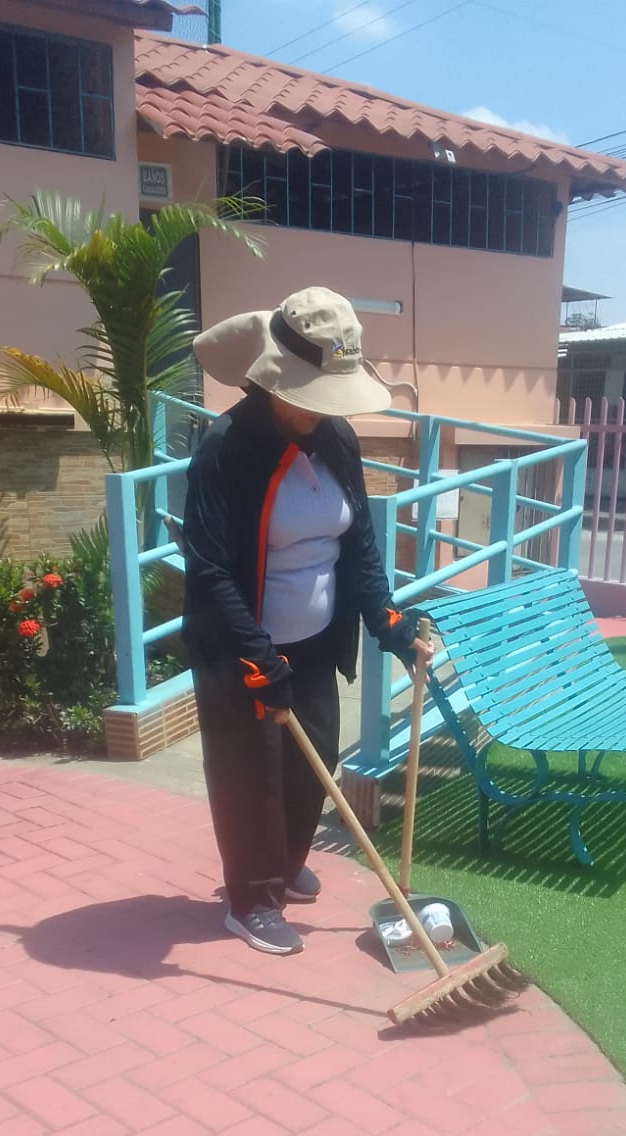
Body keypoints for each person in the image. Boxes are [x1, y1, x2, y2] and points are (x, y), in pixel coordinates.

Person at [178, 287, 434, 956]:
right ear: (276, 377)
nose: (324, 410)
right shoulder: (225, 449)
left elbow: (360, 543)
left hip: (316, 642)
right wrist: (256, 658)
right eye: (313, 394)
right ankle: (250, 898)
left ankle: (286, 863)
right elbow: (210, 571)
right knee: (251, 776)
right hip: (242, 647)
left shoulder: (336, 437)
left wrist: (388, 620)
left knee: (311, 761)